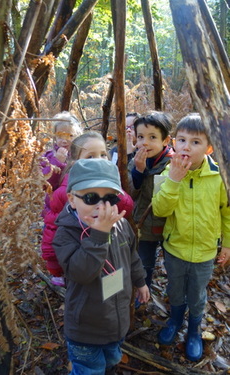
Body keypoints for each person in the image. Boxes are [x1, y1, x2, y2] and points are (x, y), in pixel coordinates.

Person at [52, 158, 150, 375]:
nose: (101, 206)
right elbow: (82, 272)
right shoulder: (65, 235)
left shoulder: (121, 225)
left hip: (116, 321)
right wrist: (99, 234)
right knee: (89, 369)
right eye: (90, 197)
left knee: (112, 357)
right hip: (86, 329)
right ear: (71, 199)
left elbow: (132, 255)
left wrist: (140, 281)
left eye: (110, 198)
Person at [151, 113, 230, 361]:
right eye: (182, 140)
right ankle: (174, 321)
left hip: (205, 252)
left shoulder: (218, 176)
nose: (187, 147)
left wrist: (227, 243)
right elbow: (159, 210)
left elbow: (227, 213)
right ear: (174, 142)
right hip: (175, 248)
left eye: (195, 142)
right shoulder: (167, 171)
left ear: (208, 147)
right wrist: (174, 180)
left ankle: (194, 329)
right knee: (175, 290)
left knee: (197, 295)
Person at [41, 131, 134, 287]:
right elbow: (52, 225)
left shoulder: (110, 185)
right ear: (75, 161)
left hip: (112, 269)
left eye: (103, 154)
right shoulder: (66, 191)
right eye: (90, 156)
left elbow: (127, 207)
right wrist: (54, 263)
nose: (98, 160)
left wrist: (116, 194)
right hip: (82, 263)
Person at [128, 111, 174, 288]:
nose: (144, 142)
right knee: (144, 262)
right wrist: (138, 171)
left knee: (171, 264)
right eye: (140, 137)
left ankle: (173, 295)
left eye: (152, 137)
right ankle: (142, 292)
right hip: (144, 225)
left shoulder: (172, 164)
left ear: (165, 141)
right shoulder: (137, 160)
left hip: (167, 226)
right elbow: (131, 193)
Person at [40, 111, 83, 218]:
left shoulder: (81, 155)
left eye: (70, 135)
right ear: (54, 137)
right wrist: (57, 163)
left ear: (77, 136)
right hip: (54, 208)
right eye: (60, 136)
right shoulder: (49, 157)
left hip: (78, 206)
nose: (64, 140)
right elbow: (46, 184)